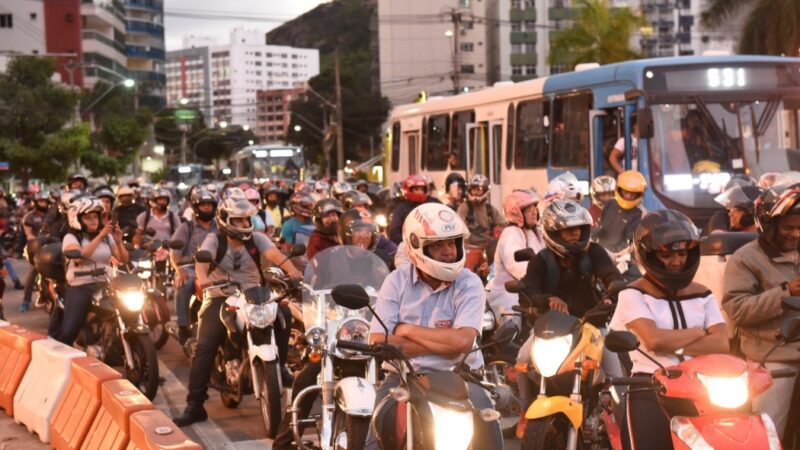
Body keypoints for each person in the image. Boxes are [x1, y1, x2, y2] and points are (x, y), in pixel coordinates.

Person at [364, 202, 502, 450]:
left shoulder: (469, 283)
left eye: (452, 243)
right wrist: (444, 344)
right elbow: (378, 339)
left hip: (462, 377)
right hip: (402, 378)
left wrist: (406, 330)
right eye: (438, 245)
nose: (448, 251)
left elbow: (462, 342)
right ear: (416, 246)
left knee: (490, 440)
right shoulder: (396, 281)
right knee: (376, 442)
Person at [172, 197, 302, 427]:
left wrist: (292, 271)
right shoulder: (214, 240)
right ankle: (194, 406)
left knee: (284, 314)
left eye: (246, 219)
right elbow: (202, 264)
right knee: (205, 346)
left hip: (255, 294)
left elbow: (275, 255)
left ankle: (279, 365)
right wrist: (203, 282)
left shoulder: (258, 239)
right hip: (220, 296)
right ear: (224, 220)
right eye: (238, 219)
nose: (243, 224)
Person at [610, 210, 728, 450]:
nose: (677, 261)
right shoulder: (632, 294)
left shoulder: (703, 293)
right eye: (667, 255)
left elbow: (722, 343)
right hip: (649, 386)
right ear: (649, 255)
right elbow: (654, 340)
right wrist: (699, 332)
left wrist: (674, 342)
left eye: (682, 253)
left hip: (703, 386)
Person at [517, 199, 625, 403]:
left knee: (616, 378)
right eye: (568, 230)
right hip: (551, 328)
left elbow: (610, 273)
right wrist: (548, 300)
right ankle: (524, 410)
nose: (575, 233)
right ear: (554, 233)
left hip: (591, 322)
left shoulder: (594, 252)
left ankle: (621, 427)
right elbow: (529, 290)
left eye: (578, 228)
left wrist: (614, 286)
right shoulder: (540, 260)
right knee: (522, 361)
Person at [722, 181, 800, 440]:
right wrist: (786, 292)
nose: (797, 234)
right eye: (789, 227)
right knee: (768, 434)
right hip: (774, 359)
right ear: (769, 225)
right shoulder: (745, 259)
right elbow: (737, 309)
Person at [50, 196, 128, 344]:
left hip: (106, 285)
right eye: (87, 217)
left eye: (95, 217)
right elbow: (79, 257)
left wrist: (118, 241)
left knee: (126, 312)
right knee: (68, 332)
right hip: (81, 286)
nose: (93, 220)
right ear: (77, 219)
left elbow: (123, 259)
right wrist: (100, 236)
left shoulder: (107, 238)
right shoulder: (71, 237)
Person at [486, 190, 545, 328]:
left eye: (534, 208)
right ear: (516, 212)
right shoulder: (511, 233)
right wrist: (539, 275)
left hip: (531, 292)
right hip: (508, 293)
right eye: (529, 209)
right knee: (512, 326)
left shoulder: (536, 232)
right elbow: (515, 264)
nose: (534, 212)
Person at [170, 189, 218, 345]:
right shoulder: (186, 227)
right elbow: (175, 252)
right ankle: (183, 326)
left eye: (209, 205)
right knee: (184, 284)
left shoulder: (220, 227)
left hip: (216, 268)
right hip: (190, 268)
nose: (206, 208)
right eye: (203, 205)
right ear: (196, 207)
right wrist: (180, 270)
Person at [593, 170, 647, 253]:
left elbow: (632, 241)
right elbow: (602, 227)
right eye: (625, 192)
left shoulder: (640, 213)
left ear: (639, 194)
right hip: (602, 251)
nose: (628, 196)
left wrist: (617, 254)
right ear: (619, 189)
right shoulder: (611, 204)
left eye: (633, 193)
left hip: (622, 257)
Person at [19, 192, 50, 312]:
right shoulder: (29, 216)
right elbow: (29, 234)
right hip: (35, 248)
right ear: (36, 202)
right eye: (40, 201)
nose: (43, 203)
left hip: (51, 246)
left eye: (45, 201)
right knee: (33, 270)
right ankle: (26, 300)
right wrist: (36, 240)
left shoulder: (51, 215)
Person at [388, 175, 439, 244]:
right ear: (408, 189)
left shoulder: (433, 203)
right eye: (416, 189)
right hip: (410, 243)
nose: (419, 192)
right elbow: (394, 232)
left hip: (434, 241)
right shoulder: (402, 208)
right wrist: (410, 242)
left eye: (421, 189)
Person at [457, 174, 504, 239]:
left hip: (487, 244)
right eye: (473, 189)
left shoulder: (490, 209)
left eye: (479, 189)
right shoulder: (464, 208)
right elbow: (460, 227)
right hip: (469, 245)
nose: (475, 192)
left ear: (485, 191)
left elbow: (502, 224)